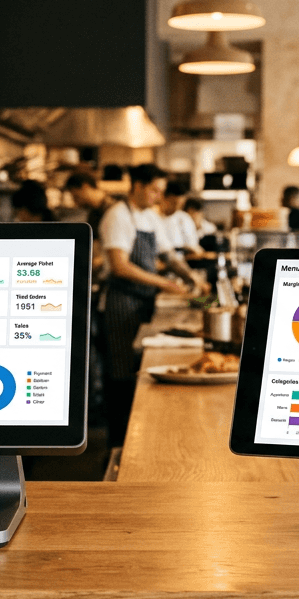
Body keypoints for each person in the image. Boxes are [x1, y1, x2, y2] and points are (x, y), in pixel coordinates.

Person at [99, 164, 202, 447]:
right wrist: (162, 283)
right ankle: (116, 445)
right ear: (138, 186)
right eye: (154, 190)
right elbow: (120, 266)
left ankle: (137, 438)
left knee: (135, 368)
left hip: (142, 300)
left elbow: (168, 254)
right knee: (120, 373)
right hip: (121, 301)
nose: (158, 197)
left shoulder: (149, 217)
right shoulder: (118, 216)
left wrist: (190, 276)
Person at [158, 181, 204, 256]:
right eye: (174, 203)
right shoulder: (154, 217)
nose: (176, 208)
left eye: (181, 205)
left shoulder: (184, 218)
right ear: (163, 198)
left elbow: (193, 245)